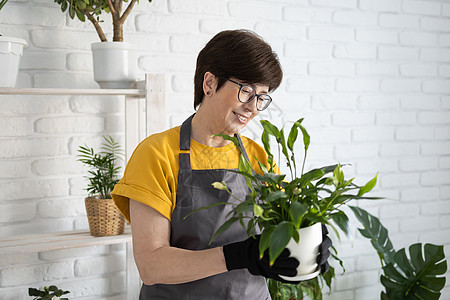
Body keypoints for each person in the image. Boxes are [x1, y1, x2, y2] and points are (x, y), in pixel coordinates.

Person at [111, 29, 332, 299]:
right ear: (210, 83)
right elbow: (151, 266)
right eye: (246, 91)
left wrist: (308, 243)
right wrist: (239, 256)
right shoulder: (156, 154)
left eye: (262, 97)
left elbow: (280, 235)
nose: (253, 107)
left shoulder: (259, 158)